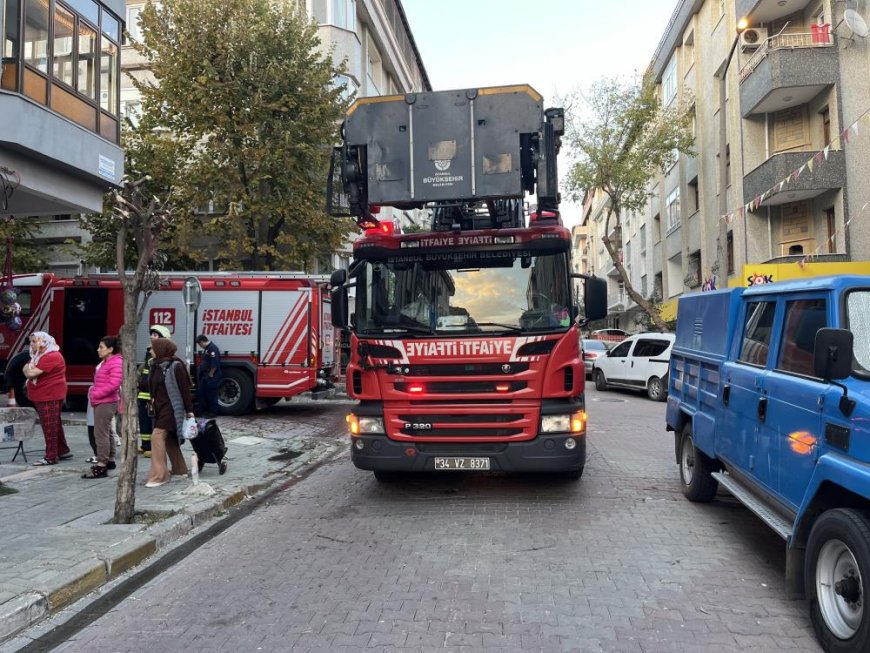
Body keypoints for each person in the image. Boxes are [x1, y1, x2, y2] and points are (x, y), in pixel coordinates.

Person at [145, 337, 192, 487]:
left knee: (157, 437)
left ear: (161, 349)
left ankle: (160, 476)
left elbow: (185, 390)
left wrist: (189, 410)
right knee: (170, 438)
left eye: (152, 348)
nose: (150, 350)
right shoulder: (155, 365)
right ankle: (180, 470)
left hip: (172, 408)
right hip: (159, 408)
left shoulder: (176, 366)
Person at [23, 332, 71, 466]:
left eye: (34, 341)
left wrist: (27, 370)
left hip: (49, 396)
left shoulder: (51, 356)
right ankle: (62, 450)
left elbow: (30, 373)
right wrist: (27, 369)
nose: (32, 344)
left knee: (49, 426)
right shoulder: (39, 355)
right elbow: (26, 368)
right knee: (54, 424)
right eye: (31, 341)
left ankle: (51, 456)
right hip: (44, 395)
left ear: (44, 342)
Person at [82, 336, 123, 479]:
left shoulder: (115, 362)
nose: (98, 350)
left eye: (101, 347)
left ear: (111, 349)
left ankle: (101, 465)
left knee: (100, 434)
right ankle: (110, 460)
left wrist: (95, 394)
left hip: (105, 401)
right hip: (102, 400)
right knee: (107, 432)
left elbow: (114, 384)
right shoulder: (107, 362)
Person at [138, 325, 171, 457]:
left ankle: (152, 446)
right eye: (151, 334)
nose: (152, 337)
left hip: (153, 396)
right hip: (143, 394)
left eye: (155, 335)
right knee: (143, 420)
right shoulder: (149, 351)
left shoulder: (162, 354)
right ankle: (145, 444)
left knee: (153, 421)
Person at [195, 334, 221, 418]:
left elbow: (214, 363)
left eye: (199, 344)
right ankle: (201, 411)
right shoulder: (207, 349)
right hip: (205, 374)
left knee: (211, 394)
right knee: (202, 393)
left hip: (212, 375)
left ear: (202, 342)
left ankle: (213, 412)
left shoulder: (212, 348)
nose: (200, 346)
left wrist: (211, 374)